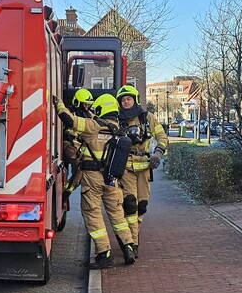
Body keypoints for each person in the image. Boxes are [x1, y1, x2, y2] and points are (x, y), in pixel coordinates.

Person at [54, 92, 137, 268]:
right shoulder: (119, 130)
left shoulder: (93, 126)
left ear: (100, 109)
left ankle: (104, 253)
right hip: (112, 180)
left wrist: (59, 104)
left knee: (93, 214)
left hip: (92, 179)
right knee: (117, 215)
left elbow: (71, 121)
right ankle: (128, 247)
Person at [115, 84, 168, 257]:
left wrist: (158, 154)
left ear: (135, 100)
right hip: (126, 166)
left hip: (145, 166)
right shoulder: (116, 119)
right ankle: (133, 245)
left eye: (129, 99)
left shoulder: (148, 118)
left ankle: (133, 235)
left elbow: (162, 137)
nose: (126, 102)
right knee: (130, 204)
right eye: (123, 100)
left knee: (142, 206)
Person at [62, 88, 95, 194]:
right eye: (84, 104)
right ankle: (67, 190)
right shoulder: (70, 113)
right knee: (80, 166)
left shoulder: (89, 115)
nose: (87, 107)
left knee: (82, 169)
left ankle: (67, 189)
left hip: (81, 147)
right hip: (68, 144)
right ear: (77, 102)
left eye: (88, 104)